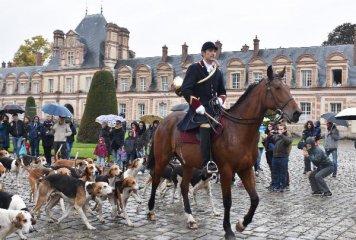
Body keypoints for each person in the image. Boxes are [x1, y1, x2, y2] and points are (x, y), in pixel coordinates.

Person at [177, 41, 226, 174]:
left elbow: (222, 92)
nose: (213, 53)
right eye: (209, 51)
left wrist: (220, 101)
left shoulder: (218, 72)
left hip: (214, 108)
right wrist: (197, 105)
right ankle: (207, 162)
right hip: (198, 109)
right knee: (206, 126)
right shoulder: (194, 68)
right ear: (203, 53)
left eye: (214, 51)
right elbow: (186, 90)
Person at [268, 123, 292, 192]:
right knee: (275, 172)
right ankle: (276, 186)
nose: (279, 130)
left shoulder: (287, 136)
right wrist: (270, 134)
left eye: (281, 129)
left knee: (283, 173)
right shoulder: (277, 136)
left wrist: (281, 135)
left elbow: (288, 141)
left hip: (283, 157)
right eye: (279, 129)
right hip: (275, 157)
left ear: (285, 130)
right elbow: (270, 139)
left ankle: (283, 186)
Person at [263, 122, 275, 189]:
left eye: (270, 126)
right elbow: (265, 144)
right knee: (271, 168)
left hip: (273, 152)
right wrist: (264, 140)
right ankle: (272, 182)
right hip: (268, 152)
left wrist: (268, 137)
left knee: (274, 168)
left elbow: (274, 141)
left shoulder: (274, 133)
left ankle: (274, 183)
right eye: (268, 126)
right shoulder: (266, 133)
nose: (269, 127)